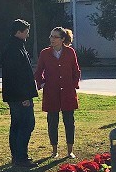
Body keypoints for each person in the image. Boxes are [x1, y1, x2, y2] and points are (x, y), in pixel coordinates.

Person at [34, 27, 81, 159]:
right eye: (51, 36)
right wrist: (42, 84)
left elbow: (76, 71)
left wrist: (73, 85)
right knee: (52, 122)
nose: (52, 39)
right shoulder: (45, 53)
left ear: (62, 39)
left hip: (68, 93)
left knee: (69, 122)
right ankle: (54, 150)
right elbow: (38, 72)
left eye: (55, 37)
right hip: (51, 93)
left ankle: (70, 150)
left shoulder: (70, 52)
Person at [1, 19, 39, 167]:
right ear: (19, 32)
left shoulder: (14, 46)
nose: (28, 34)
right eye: (26, 31)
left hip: (16, 94)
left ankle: (17, 156)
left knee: (17, 125)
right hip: (20, 95)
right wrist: (25, 96)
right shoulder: (14, 49)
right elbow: (17, 76)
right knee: (26, 124)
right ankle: (20, 157)